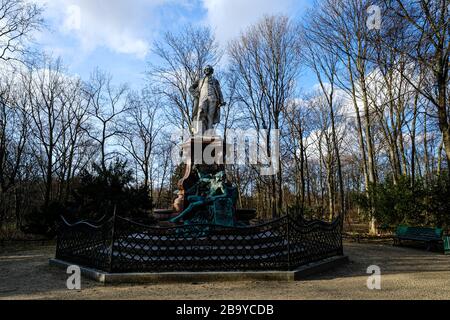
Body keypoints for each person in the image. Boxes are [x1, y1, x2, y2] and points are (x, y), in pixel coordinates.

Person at [190, 65, 226, 135]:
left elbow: (219, 91)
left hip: (213, 99)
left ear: (211, 71)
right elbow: (191, 88)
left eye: (208, 69)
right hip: (202, 98)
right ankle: (199, 132)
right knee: (200, 113)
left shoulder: (215, 81)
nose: (207, 70)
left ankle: (209, 133)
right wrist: (195, 94)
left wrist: (221, 100)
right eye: (206, 69)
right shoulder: (200, 80)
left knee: (210, 117)